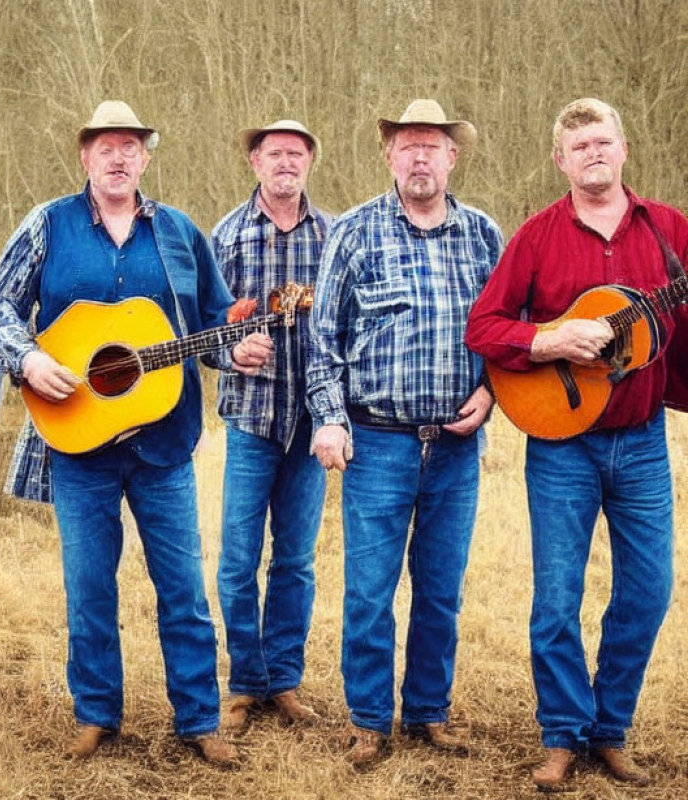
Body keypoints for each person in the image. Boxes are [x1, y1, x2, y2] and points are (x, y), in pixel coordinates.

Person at [0, 100, 272, 765]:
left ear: (145, 157)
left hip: (164, 442)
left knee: (184, 590)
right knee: (89, 586)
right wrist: (26, 357)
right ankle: (96, 714)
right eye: (105, 145)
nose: (118, 156)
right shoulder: (49, 225)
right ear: (85, 156)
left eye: (130, 146)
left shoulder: (178, 233)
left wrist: (237, 350)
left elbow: (211, 324)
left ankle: (198, 719)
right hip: (78, 442)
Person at [466, 98, 688, 790]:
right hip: (561, 442)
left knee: (649, 591)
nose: (593, 153)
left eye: (603, 141)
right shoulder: (535, 237)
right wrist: (547, 339)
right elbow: (485, 325)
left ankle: (610, 729)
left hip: (643, 440)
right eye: (578, 146)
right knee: (557, 599)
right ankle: (562, 735)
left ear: (624, 149)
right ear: (560, 160)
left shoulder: (671, 231)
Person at [307, 100, 503, 766]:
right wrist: (329, 418)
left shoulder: (482, 235)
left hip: (456, 445)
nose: (420, 157)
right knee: (370, 588)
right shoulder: (357, 232)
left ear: (453, 157)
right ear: (389, 155)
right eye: (408, 146)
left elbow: (506, 333)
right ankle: (368, 718)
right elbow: (321, 337)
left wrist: (491, 391)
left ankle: (428, 712)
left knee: (441, 587)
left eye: (433, 146)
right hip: (379, 441)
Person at [211, 119, 331, 732]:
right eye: (274, 153)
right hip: (250, 422)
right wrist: (229, 352)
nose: (286, 163)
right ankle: (242, 683)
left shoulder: (335, 237)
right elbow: (201, 331)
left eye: (296, 154)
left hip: (311, 426)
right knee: (237, 558)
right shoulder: (225, 237)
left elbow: (346, 327)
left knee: (295, 560)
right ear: (255, 162)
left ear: (309, 163)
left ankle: (282, 679)